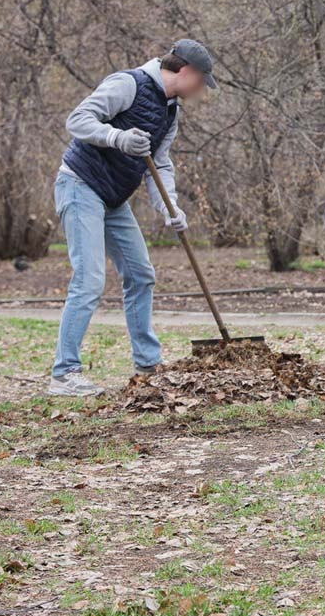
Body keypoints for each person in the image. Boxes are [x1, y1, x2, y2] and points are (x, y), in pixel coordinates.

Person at [49, 39, 217, 397]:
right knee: (90, 280)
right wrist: (118, 137)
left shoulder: (171, 111)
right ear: (186, 71)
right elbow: (77, 120)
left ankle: (147, 363)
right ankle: (64, 374)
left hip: (113, 199)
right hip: (80, 186)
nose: (202, 90)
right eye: (202, 81)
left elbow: (161, 164)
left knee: (141, 274)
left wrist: (170, 208)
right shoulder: (128, 84)